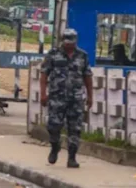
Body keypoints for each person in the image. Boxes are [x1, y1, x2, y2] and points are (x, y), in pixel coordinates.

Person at [41, 28, 93, 168]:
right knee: (53, 126)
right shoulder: (53, 54)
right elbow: (44, 74)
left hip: (75, 99)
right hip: (57, 97)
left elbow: (87, 76)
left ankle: (72, 157)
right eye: (67, 42)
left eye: (72, 42)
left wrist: (90, 96)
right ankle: (55, 146)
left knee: (75, 128)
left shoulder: (82, 55)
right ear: (62, 41)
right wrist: (43, 94)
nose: (69, 45)